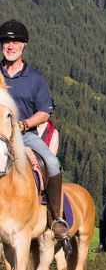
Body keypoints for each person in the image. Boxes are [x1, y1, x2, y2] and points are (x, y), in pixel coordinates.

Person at [0, 19, 71, 247]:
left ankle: (56, 217)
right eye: (6, 42)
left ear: (24, 46)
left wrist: (23, 124)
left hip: (25, 135)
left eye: (15, 42)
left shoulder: (35, 78)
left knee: (52, 162)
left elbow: (44, 113)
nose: (10, 46)